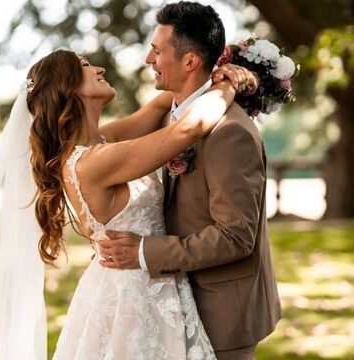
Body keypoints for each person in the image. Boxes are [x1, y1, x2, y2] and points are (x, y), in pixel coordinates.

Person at [0, 47, 257, 359]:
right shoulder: (92, 162)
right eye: (86, 66)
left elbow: (161, 105)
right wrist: (228, 84)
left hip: (139, 282)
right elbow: (189, 129)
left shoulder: (101, 141)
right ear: (68, 87)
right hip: (135, 296)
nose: (99, 69)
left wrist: (211, 73)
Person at [99, 2, 282, 360]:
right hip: (178, 300)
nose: (148, 59)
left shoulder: (230, 132)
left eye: (156, 50)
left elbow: (235, 237)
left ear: (189, 61)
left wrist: (141, 251)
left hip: (223, 311)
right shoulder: (173, 112)